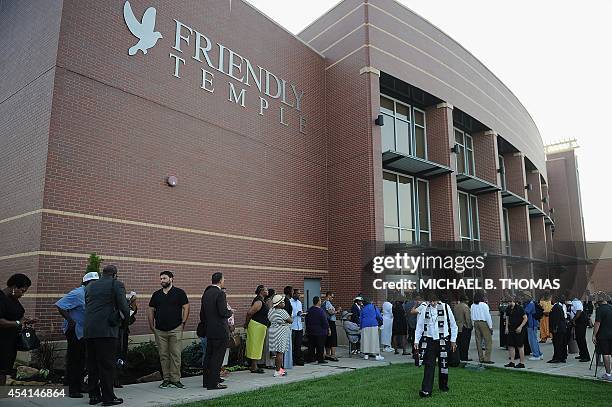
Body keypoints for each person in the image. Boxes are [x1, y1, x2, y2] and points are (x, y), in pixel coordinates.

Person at [84, 265, 129, 406]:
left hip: (89, 330)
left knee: (92, 364)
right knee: (107, 365)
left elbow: (88, 305)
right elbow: (123, 307)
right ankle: (108, 398)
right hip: (107, 331)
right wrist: (125, 322)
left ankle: (93, 396)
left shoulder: (90, 286)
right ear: (115, 274)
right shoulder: (116, 284)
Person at [55, 271, 99, 398]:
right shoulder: (77, 293)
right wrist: (70, 320)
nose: (95, 285)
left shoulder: (92, 294)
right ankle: (72, 389)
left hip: (84, 332)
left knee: (82, 360)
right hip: (74, 331)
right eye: (93, 282)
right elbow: (60, 305)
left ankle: (79, 385)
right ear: (86, 283)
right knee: (75, 360)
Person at [147, 270, 190, 389]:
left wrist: (183, 322)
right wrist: (151, 325)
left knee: (175, 355)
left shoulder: (179, 293)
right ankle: (166, 379)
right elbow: (151, 309)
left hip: (175, 328)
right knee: (163, 355)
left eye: (164, 278)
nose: (162, 281)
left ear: (171, 279)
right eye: (161, 279)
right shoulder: (156, 294)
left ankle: (175, 380)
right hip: (160, 330)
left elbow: (186, 307)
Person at [414, 291, 458, 398]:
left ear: (438, 300)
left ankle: (443, 385)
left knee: (443, 365)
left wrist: (453, 340)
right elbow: (419, 326)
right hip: (429, 341)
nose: (433, 303)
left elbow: (453, 325)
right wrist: (416, 340)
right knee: (429, 365)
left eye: (434, 301)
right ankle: (426, 390)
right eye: (431, 301)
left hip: (443, 340)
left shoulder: (445, 307)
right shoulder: (424, 308)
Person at [0, 274, 36, 386]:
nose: (23, 294)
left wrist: (26, 320)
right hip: (2, 341)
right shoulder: (1, 299)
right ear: (14, 287)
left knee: (5, 370)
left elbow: (17, 316)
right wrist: (17, 323)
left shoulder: (14, 299)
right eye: (22, 290)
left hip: (11, 342)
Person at [200, 272, 232, 390]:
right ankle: (213, 384)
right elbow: (223, 312)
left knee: (208, 356)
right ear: (220, 281)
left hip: (209, 330)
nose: (224, 281)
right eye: (224, 279)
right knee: (217, 357)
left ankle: (207, 381)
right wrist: (230, 312)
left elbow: (202, 313)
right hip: (220, 330)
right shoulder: (220, 294)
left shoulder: (206, 293)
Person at [244, 285, 269, 373]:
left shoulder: (262, 300)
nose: (267, 291)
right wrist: (246, 324)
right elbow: (249, 313)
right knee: (255, 345)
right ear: (261, 291)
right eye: (266, 290)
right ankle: (254, 366)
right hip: (256, 326)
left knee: (257, 345)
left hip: (260, 326)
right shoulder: (259, 301)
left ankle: (253, 365)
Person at [115, 292, 137, 388]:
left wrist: (133, 302)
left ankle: (118, 378)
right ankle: (113, 378)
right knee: (114, 355)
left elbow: (132, 313)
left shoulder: (125, 302)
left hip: (123, 332)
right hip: (114, 332)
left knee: (121, 355)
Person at [267, 294, 292, 377]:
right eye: (282, 302)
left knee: (276, 352)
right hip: (281, 331)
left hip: (273, 331)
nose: (284, 303)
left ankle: (279, 369)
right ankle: (277, 371)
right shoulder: (282, 311)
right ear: (278, 304)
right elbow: (290, 320)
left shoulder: (271, 310)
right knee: (280, 352)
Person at [593, 292, 612, 381]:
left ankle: (608, 374)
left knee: (606, 354)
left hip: (603, 335)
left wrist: (594, 335)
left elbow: (597, 323)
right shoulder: (611, 307)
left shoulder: (600, 309)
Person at [504, 294, 527, 368]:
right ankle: (512, 362)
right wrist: (506, 327)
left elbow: (525, 318)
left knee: (520, 346)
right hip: (511, 328)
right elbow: (507, 318)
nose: (507, 304)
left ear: (512, 301)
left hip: (519, 329)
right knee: (511, 345)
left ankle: (522, 362)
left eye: (508, 302)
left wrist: (520, 327)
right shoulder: (508, 308)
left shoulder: (519, 308)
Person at [470, 291, 493, 364]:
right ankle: (487, 358)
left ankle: (481, 357)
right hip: (483, 323)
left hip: (476, 322)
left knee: (478, 341)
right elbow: (487, 316)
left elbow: (471, 315)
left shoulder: (472, 305)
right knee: (488, 341)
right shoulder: (484, 305)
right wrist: (490, 326)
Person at [305, 296, 329, 364]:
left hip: (311, 331)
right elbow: (324, 321)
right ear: (318, 302)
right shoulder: (321, 311)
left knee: (311, 346)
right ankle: (320, 359)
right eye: (320, 300)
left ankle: (311, 358)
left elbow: (306, 320)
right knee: (320, 346)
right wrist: (328, 329)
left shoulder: (309, 310)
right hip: (320, 332)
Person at [568, 292, 590, 362]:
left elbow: (579, 311)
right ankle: (582, 354)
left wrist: (574, 319)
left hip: (581, 321)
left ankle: (586, 356)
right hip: (578, 321)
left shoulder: (576, 301)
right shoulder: (572, 301)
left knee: (581, 338)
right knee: (578, 338)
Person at [548, 294, 568, 363]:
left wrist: (554, 328)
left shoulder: (556, 308)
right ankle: (562, 357)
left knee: (557, 343)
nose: (550, 300)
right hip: (562, 328)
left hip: (558, 329)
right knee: (562, 343)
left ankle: (557, 358)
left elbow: (556, 320)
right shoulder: (559, 306)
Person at [523, 292, 543, 361]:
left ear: (528, 296)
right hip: (533, 324)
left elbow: (525, 312)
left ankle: (536, 355)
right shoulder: (533, 303)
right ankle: (539, 353)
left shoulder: (530, 304)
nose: (524, 297)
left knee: (532, 340)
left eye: (525, 296)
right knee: (535, 340)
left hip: (531, 324)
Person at [453, 295, 473, 362]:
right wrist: (470, 326)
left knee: (458, 343)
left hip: (457, 326)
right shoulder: (465, 307)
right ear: (465, 300)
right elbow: (467, 318)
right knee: (465, 344)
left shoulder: (455, 307)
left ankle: (458, 356)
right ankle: (464, 357)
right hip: (464, 327)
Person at [322, 291, 340, 361]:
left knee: (328, 339)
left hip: (326, 322)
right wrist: (337, 311)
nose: (332, 298)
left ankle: (327, 354)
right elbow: (330, 312)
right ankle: (333, 355)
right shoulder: (327, 303)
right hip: (331, 322)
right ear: (328, 296)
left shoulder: (323, 303)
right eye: (332, 296)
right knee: (333, 338)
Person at [289, 289, 304, 366]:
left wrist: (302, 314)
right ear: (294, 294)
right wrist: (296, 314)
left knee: (298, 345)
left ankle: (298, 359)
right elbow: (289, 315)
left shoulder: (299, 303)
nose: (299, 295)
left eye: (300, 293)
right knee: (292, 345)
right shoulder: (289, 302)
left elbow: (300, 312)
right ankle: (292, 360)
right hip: (293, 327)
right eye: (298, 293)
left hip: (299, 326)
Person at [282, 286, 293, 370]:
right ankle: (286, 363)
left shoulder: (286, 301)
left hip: (286, 325)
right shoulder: (286, 301)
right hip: (286, 325)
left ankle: (286, 363)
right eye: (292, 291)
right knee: (287, 345)